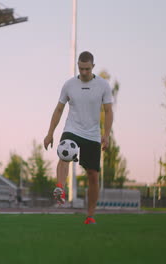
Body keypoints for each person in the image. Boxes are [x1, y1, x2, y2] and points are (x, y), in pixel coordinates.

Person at [44, 51, 113, 224]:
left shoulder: (103, 86)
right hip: (72, 128)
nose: (83, 72)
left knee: (93, 175)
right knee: (64, 154)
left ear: (93, 67)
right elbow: (59, 109)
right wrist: (50, 133)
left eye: (87, 69)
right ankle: (60, 187)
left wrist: (106, 135)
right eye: (80, 68)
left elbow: (108, 111)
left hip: (92, 134)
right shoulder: (69, 85)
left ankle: (90, 216)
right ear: (78, 66)